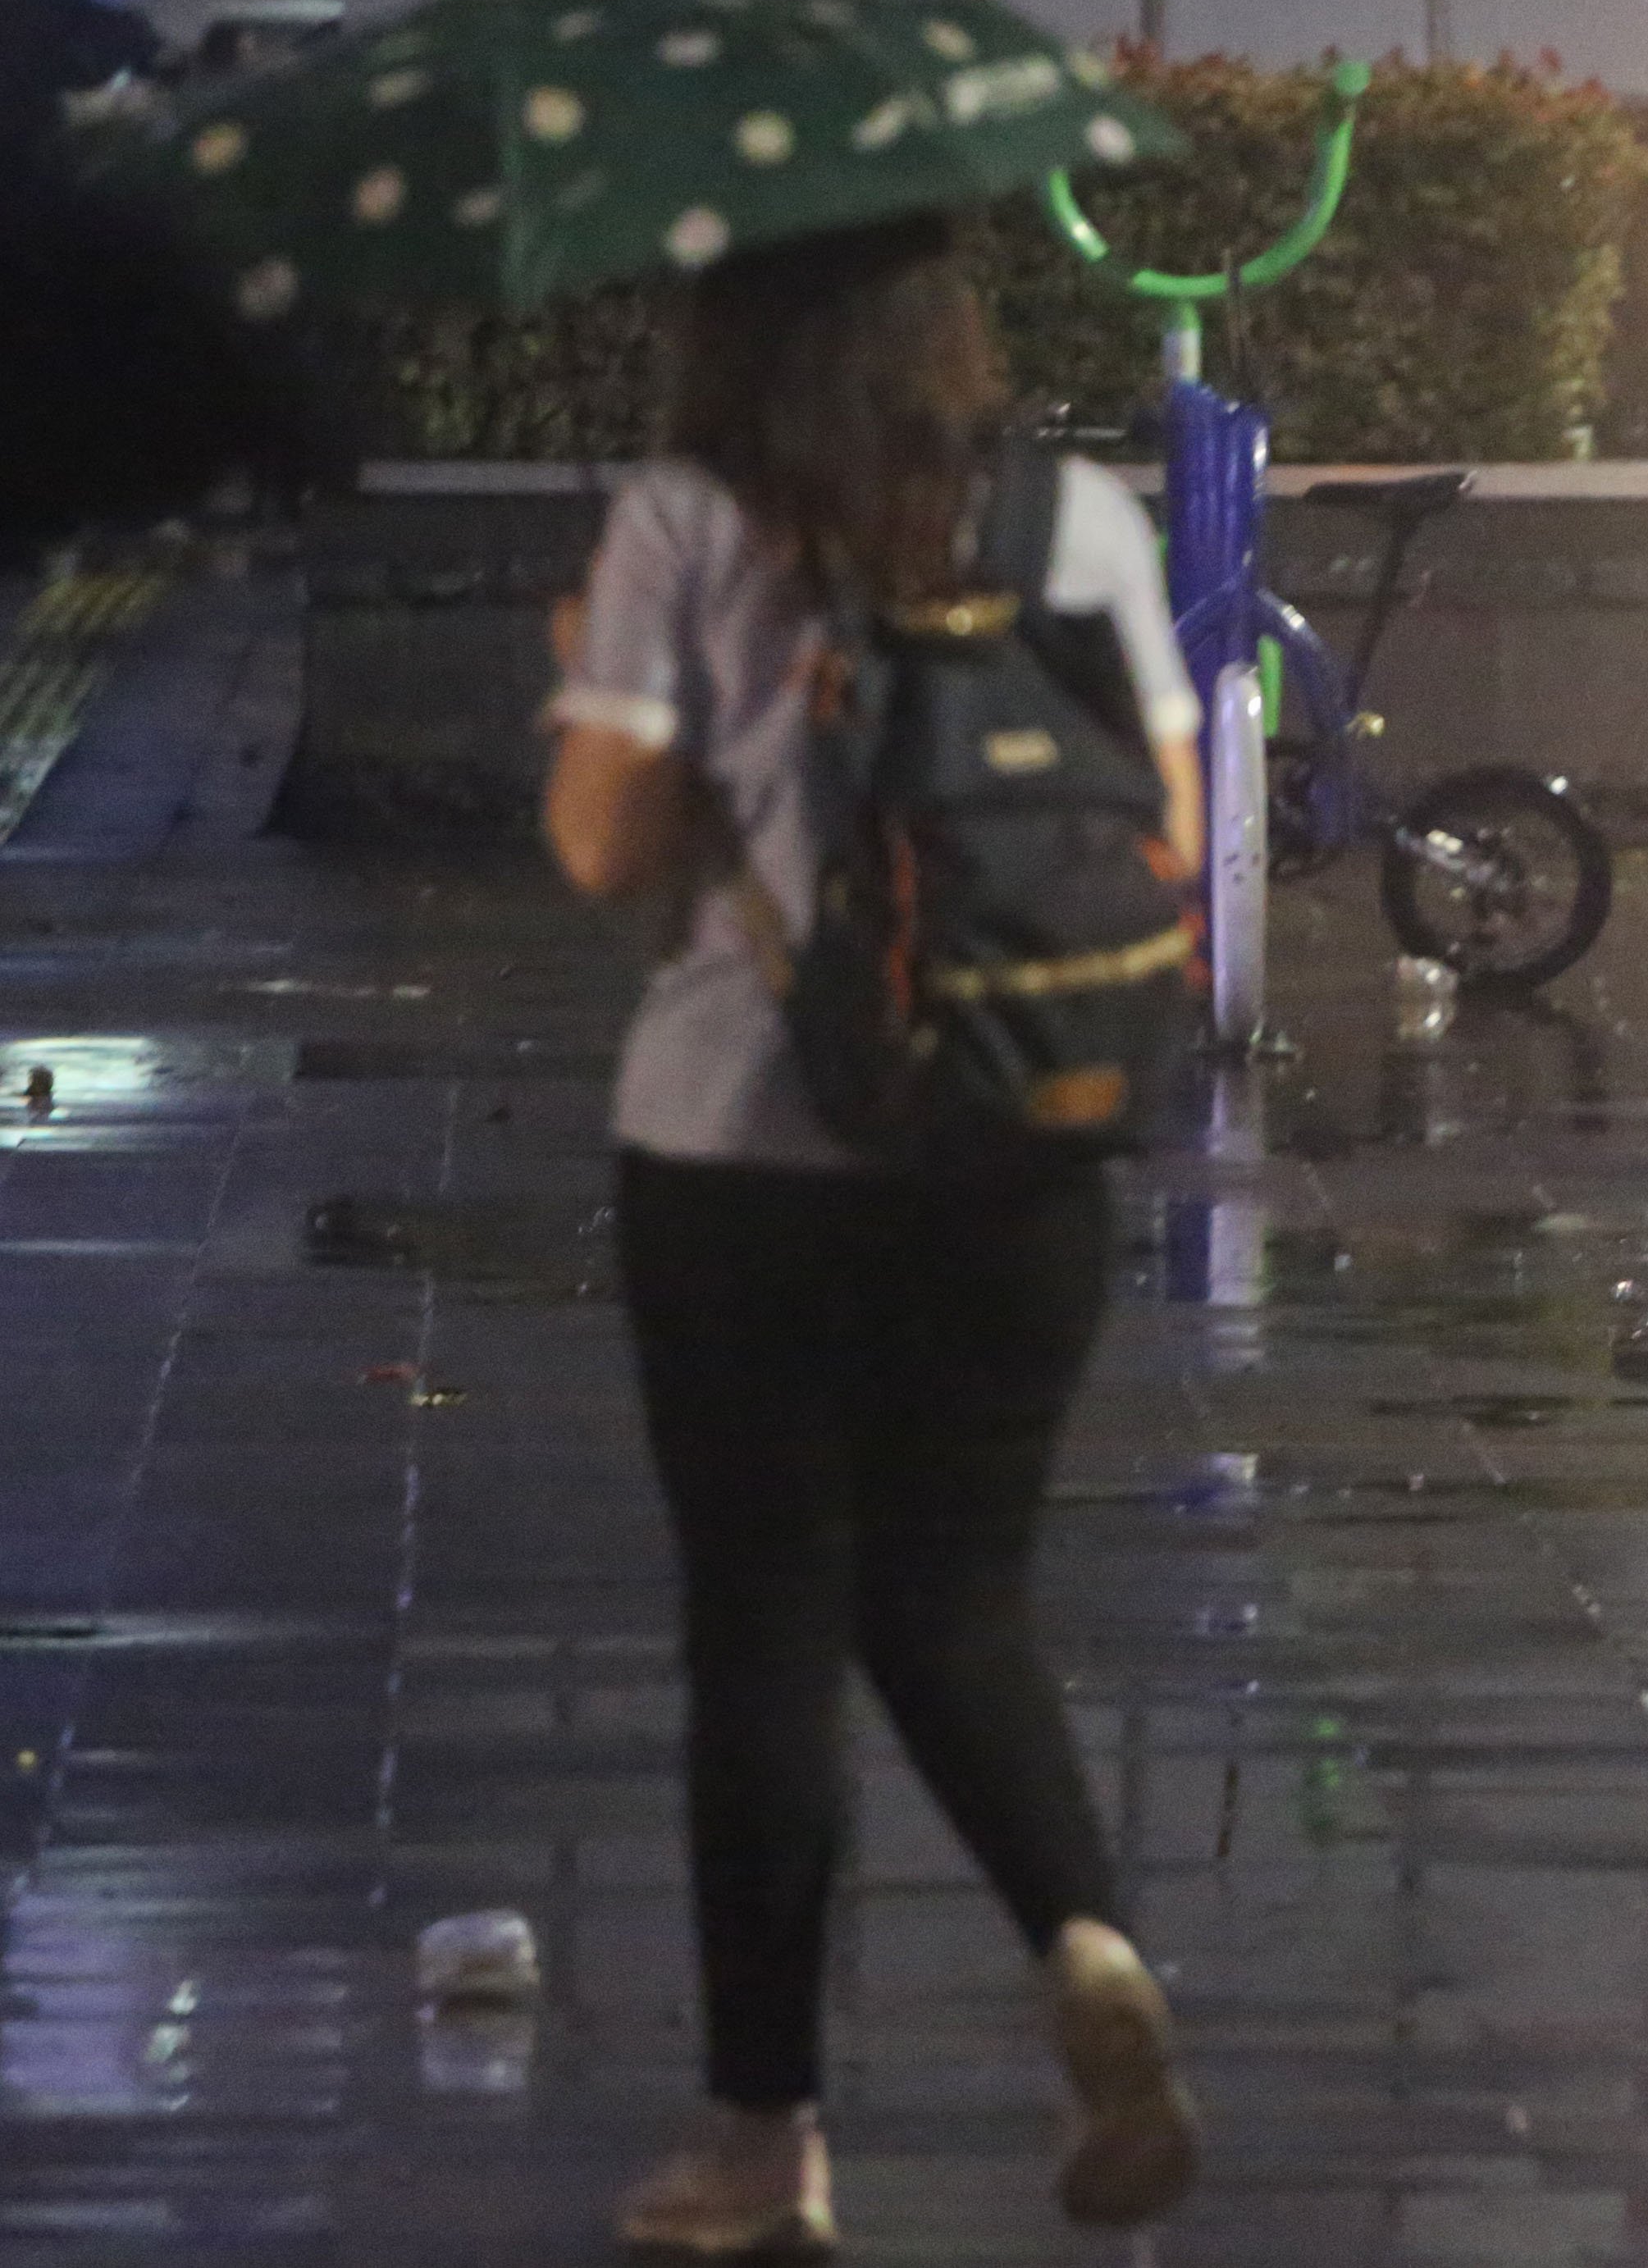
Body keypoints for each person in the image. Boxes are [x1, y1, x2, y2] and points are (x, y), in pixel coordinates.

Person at [541, 213, 1208, 2254]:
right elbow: (1165, 835)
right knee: (957, 1596)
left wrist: (594, 680)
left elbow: (600, 842)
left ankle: (764, 2144)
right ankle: (1086, 1941)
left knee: (764, 1627)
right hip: (1017, 1154)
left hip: (740, 1148)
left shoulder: (681, 519)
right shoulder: (1070, 514)